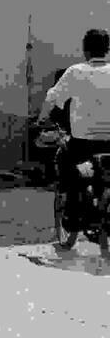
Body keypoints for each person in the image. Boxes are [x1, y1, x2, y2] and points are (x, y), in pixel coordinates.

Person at [43, 28, 110, 252]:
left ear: (85, 50)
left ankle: (71, 217)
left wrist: (42, 118)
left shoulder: (75, 72)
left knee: (66, 162)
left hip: (83, 143)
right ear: (107, 49)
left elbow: (52, 98)